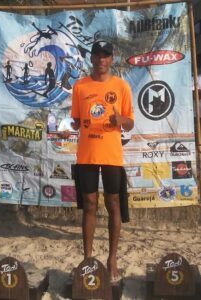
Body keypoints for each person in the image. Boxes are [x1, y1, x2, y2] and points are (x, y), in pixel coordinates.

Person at [60, 41, 134, 283]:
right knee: (89, 204)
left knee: (113, 203)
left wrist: (120, 119)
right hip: (86, 154)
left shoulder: (122, 86)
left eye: (106, 55)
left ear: (112, 59)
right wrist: (64, 128)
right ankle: (88, 259)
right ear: (91, 59)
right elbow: (76, 121)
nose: (101, 60)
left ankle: (112, 258)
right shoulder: (80, 86)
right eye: (97, 55)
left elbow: (130, 123)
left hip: (112, 155)